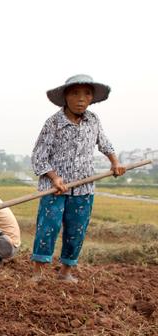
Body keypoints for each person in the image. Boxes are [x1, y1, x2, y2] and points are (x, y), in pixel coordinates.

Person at [31, 74, 126, 283]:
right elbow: (39, 156)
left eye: (86, 93)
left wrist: (115, 162)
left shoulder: (93, 120)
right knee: (48, 227)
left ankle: (65, 272)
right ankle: (39, 273)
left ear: (92, 98)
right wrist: (55, 178)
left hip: (83, 188)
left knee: (76, 230)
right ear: (65, 96)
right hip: (54, 188)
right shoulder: (53, 123)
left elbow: (105, 143)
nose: (81, 98)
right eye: (75, 93)